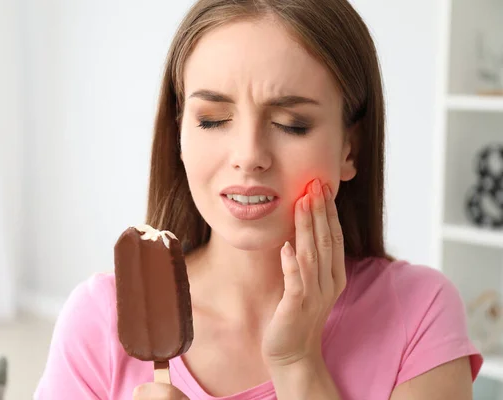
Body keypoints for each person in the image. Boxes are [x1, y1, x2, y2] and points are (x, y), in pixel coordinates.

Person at [34, 0, 484, 398]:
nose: (248, 156)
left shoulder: (419, 313)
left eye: (292, 124)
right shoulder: (99, 320)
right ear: (179, 135)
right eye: (212, 120)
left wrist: (299, 363)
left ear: (351, 148)